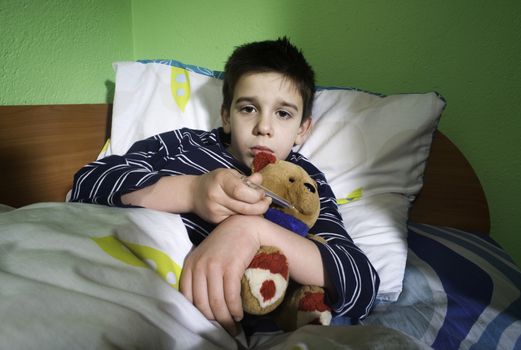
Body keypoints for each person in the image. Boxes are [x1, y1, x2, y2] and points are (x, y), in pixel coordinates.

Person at [71, 37, 379, 336]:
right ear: (226, 116)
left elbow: (361, 281)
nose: (264, 127)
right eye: (248, 109)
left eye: (283, 113)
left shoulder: (304, 182)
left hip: (208, 321)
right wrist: (190, 192)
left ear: (303, 129)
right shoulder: (184, 143)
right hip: (117, 275)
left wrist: (251, 230)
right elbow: (86, 183)